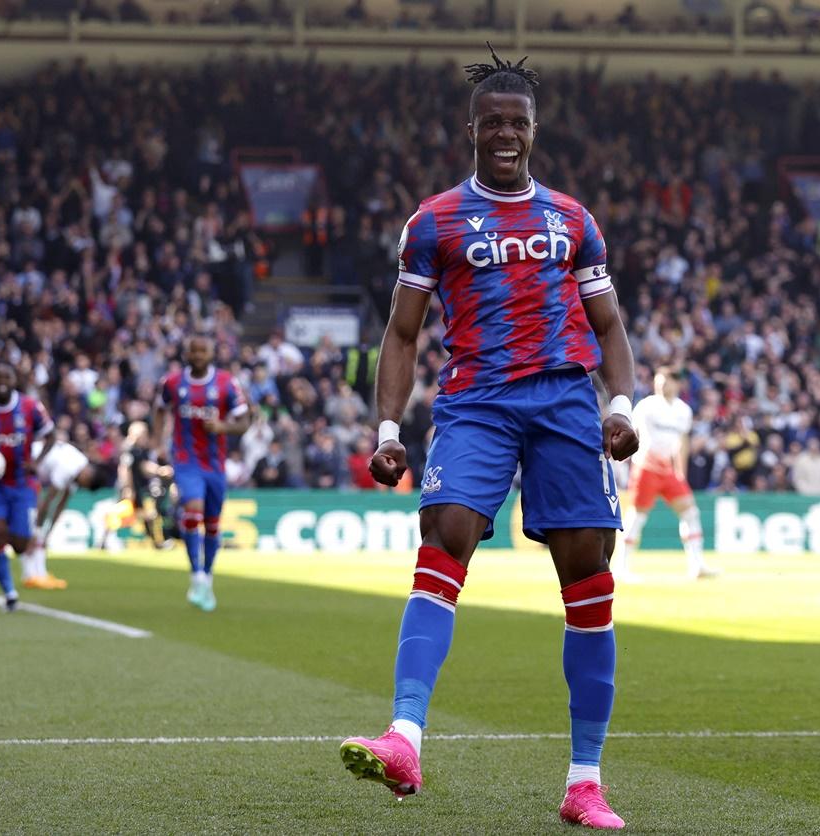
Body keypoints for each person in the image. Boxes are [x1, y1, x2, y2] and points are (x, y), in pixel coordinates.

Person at [338, 46, 640, 830]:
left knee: (588, 568)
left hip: (567, 402)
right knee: (446, 532)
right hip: (477, 399)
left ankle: (584, 780)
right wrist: (388, 428)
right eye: (492, 122)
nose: (506, 133)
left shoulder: (573, 219)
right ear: (470, 130)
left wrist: (622, 406)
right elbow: (401, 334)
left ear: (535, 131)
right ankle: (404, 738)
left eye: (519, 123)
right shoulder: (433, 221)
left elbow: (609, 323)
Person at [156, 335, 250, 612]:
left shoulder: (226, 383)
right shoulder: (172, 383)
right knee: (193, 509)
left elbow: (244, 421)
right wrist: (158, 442)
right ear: (185, 352)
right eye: (193, 350)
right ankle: (196, 573)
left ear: (211, 353)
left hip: (215, 463)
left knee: (212, 523)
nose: (197, 354)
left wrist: (222, 427)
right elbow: (160, 410)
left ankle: (206, 576)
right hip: (186, 460)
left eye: (202, 350)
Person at [0, 364, 56, 612]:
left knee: (20, 544)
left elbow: (51, 435)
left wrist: (36, 462)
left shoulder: (30, 407)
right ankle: (9, 592)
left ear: (15, 380)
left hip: (22, 487)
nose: (2, 381)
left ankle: (12, 562)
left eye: (7, 376)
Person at [616, 367, 717, 580]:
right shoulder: (646, 406)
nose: (661, 385)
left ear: (677, 384)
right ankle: (621, 567)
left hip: (669, 471)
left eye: (666, 381)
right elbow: (634, 434)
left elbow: (682, 443)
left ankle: (697, 565)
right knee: (637, 517)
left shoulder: (683, 411)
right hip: (646, 468)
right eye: (658, 381)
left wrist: (681, 472)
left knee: (690, 513)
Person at [27, 436, 104, 589]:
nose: (82, 486)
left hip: (35, 474)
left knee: (39, 537)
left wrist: (48, 533)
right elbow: (48, 501)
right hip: (27, 463)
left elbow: (60, 505)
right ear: (87, 475)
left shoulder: (77, 469)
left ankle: (38, 574)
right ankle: (32, 575)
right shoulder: (69, 467)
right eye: (85, 484)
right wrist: (38, 529)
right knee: (32, 530)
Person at [116, 421, 175, 550]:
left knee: (148, 515)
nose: (145, 437)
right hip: (131, 489)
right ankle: (104, 540)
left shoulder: (139, 450)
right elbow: (127, 469)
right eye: (143, 434)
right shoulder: (131, 450)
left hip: (137, 488)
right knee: (122, 515)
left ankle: (156, 542)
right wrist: (127, 488)